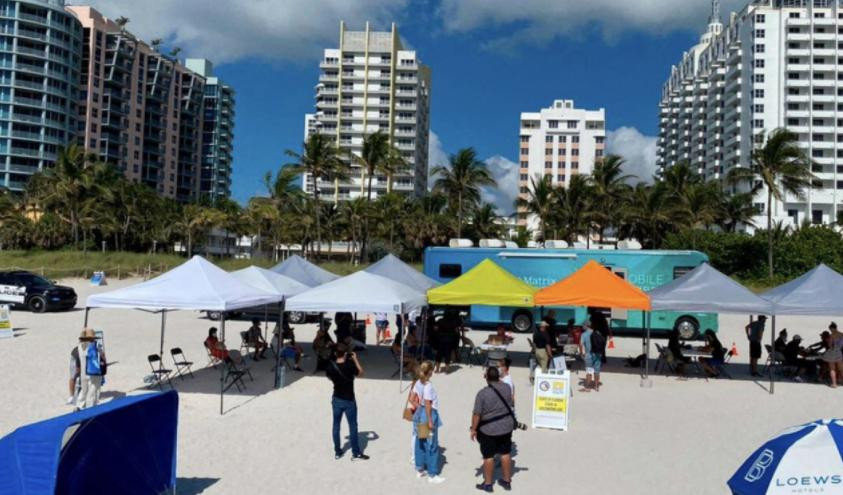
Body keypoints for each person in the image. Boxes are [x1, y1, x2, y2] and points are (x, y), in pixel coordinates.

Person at [471, 366, 515, 492]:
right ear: (498, 377)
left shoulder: (482, 394)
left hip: (488, 430)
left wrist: (473, 429)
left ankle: (488, 484)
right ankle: (507, 480)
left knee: (488, 456)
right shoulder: (507, 388)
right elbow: (511, 402)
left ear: (486, 377)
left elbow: (477, 414)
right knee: (505, 453)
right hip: (506, 426)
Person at [325, 343, 369, 460]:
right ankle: (356, 452)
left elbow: (329, 377)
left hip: (336, 398)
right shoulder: (350, 365)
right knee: (353, 426)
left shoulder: (331, 366)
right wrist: (355, 360)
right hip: (349, 399)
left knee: (336, 426)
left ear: (335, 353)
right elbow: (361, 373)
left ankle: (338, 451)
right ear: (345, 354)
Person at [413, 361, 445, 484]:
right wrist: (430, 420)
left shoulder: (418, 382)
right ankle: (432, 474)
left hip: (420, 413)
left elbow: (412, 398)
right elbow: (428, 403)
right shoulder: (428, 386)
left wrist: (419, 408)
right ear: (430, 371)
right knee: (432, 444)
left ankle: (420, 468)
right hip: (429, 414)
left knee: (420, 442)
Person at [76, 328, 105, 410]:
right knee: (93, 392)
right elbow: (101, 356)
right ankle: (91, 409)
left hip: (83, 373)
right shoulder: (94, 345)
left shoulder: (80, 346)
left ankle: (79, 405)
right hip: (93, 372)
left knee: (84, 391)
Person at [824, 322, 843, 388]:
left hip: (832, 352)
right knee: (841, 368)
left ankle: (834, 384)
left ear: (832, 328)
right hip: (839, 352)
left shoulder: (832, 335)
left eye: (830, 329)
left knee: (832, 369)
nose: (830, 330)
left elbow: (830, 346)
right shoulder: (842, 334)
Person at [580, 320, 595, 391]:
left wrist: (581, 353)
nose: (582, 326)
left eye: (583, 325)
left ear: (586, 326)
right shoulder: (595, 332)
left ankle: (588, 387)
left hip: (589, 354)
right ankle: (595, 385)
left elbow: (580, 344)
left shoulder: (584, 334)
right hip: (597, 354)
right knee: (594, 370)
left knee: (589, 370)